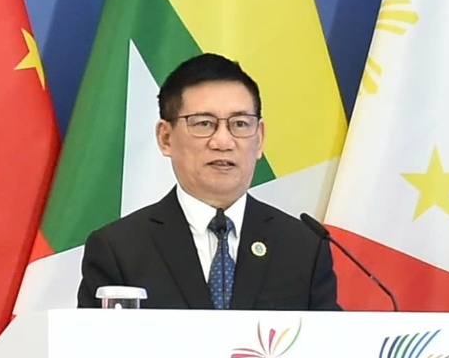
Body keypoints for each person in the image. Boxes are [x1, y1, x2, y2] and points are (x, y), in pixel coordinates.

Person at [77, 53, 340, 310]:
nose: (223, 142)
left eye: (240, 124)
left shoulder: (303, 248)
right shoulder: (119, 249)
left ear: (259, 138)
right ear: (165, 138)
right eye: (204, 124)